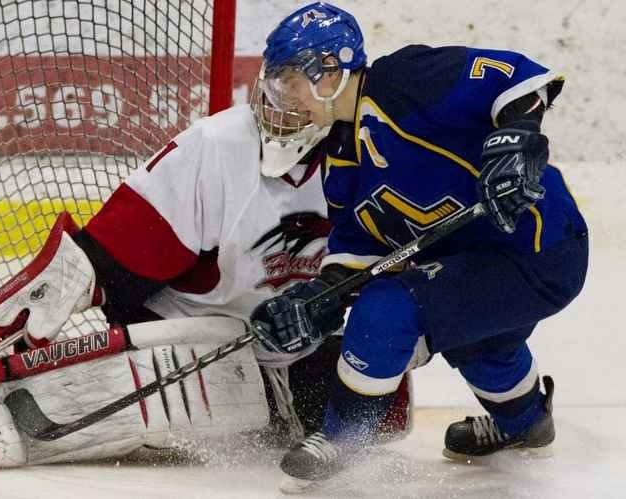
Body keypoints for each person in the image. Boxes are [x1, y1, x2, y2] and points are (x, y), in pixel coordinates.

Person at [0, 95, 412, 467]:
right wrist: (80, 275)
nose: (284, 94)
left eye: (301, 80)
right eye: (278, 76)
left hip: (292, 346)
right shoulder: (218, 146)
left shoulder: (376, 159)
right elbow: (128, 245)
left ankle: (278, 399)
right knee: (3, 423)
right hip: (194, 331)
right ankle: (2, 394)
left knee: (383, 413)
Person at [248, 2, 589, 492]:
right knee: (480, 347)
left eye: (288, 81)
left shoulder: (402, 80)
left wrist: (518, 136)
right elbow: (359, 245)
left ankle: (345, 439)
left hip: (539, 244)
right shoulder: (341, 154)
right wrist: (318, 298)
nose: (283, 98)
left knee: (388, 309)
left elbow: (514, 75)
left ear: (329, 71)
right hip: (473, 263)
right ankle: (526, 422)